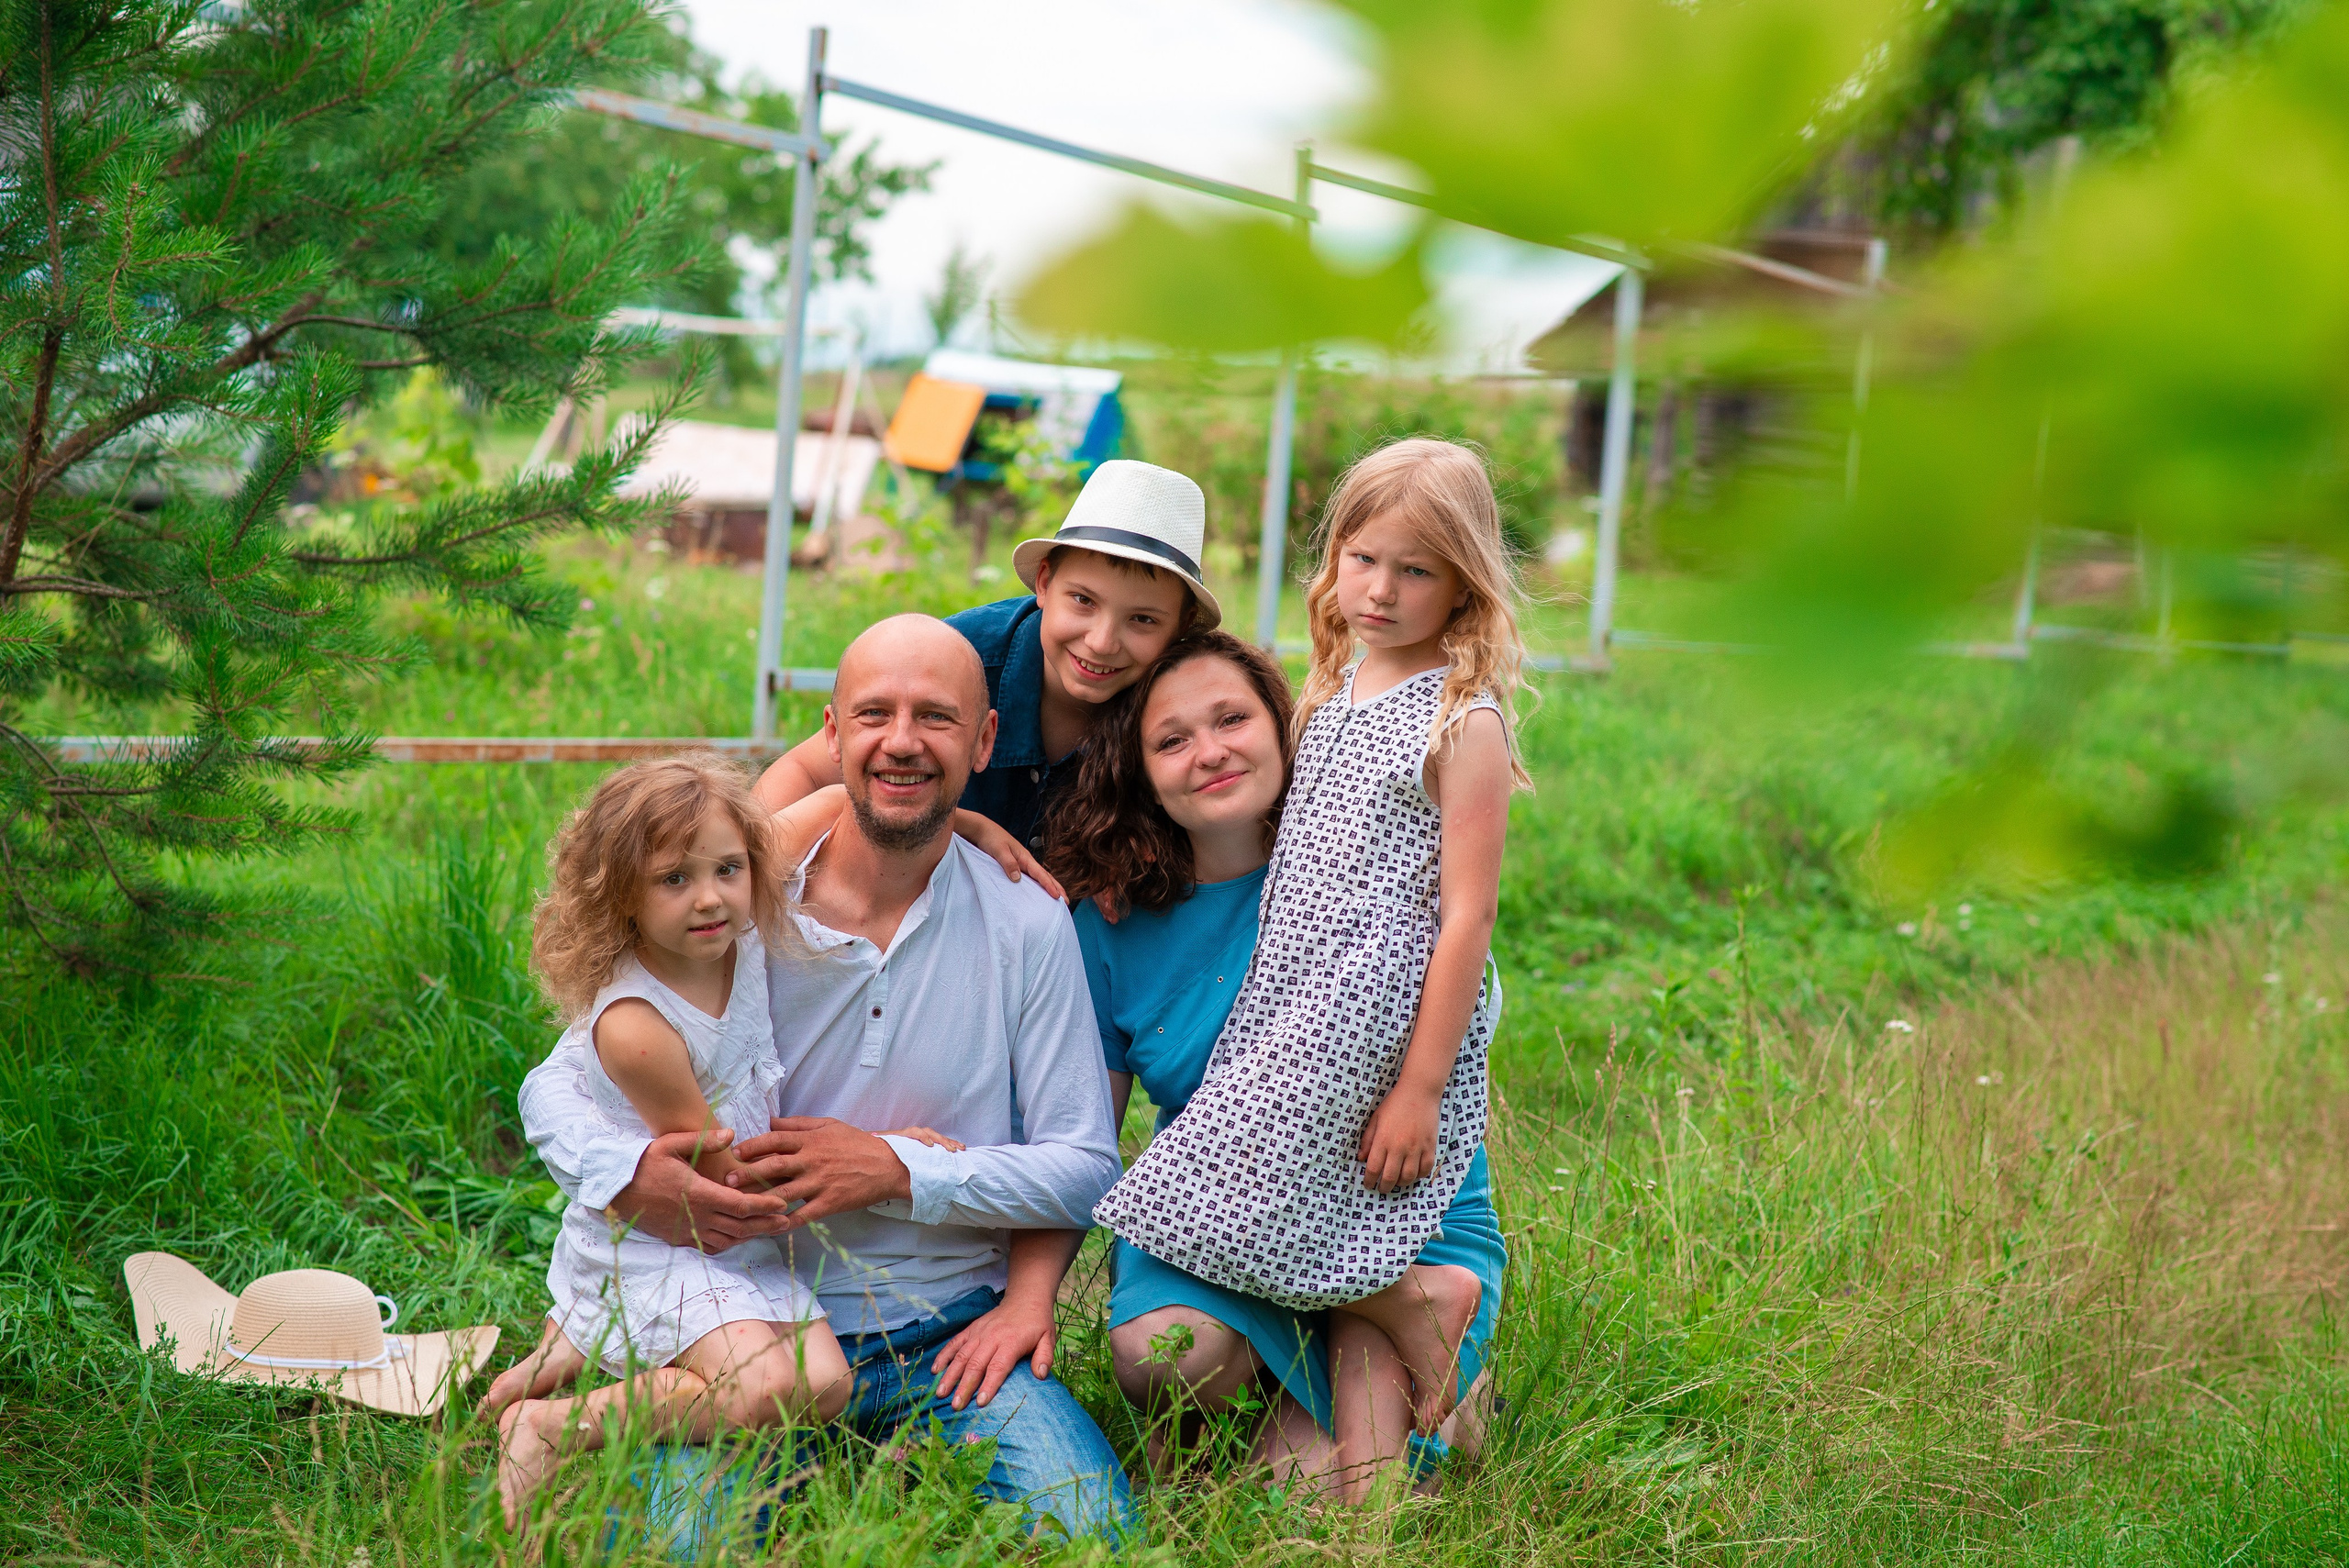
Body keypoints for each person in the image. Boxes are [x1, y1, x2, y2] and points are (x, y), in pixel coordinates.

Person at [515, 617, 1132, 1541]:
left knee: (1094, 1533)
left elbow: (1085, 1162)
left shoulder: (1024, 920)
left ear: (984, 740)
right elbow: (556, 1081)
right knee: (689, 1550)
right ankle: (586, 1420)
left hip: (946, 1327)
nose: (902, 739)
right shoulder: (735, 902)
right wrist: (627, 1175)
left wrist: (896, 1168)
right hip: (748, 1323)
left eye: (936, 717)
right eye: (875, 712)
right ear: (833, 730)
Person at [1091, 438, 1531, 1496]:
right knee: (1321, 1226)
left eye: (1416, 569)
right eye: (1362, 556)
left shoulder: (1461, 719)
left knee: (1203, 1197)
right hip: (1303, 1001)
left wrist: (1420, 1084)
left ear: (1463, 580)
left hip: (1368, 1013)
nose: (1380, 589)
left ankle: (1405, 1304)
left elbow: (1468, 916)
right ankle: (1369, 1480)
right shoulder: (1329, 693)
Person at [484, 756, 849, 1529]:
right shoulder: (637, 1027)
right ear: (621, 894)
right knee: (757, 1388)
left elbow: (842, 798)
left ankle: (600, 1364)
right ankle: (549, 1428)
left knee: (824, 1383)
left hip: (732, 1242)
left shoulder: (734, 926)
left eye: (727, 868)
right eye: (673, 879)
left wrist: (975, 823)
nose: (711, 896)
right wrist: (887, 1153)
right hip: (674, 1234)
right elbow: (725, 1185)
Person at [753, 459, 1219, 852]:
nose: (1101, 641)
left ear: (1179, 629)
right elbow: (803, 770)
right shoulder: (956, 659)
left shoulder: (1184, 703)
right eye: (1083, 600)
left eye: (1143, 620)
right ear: (1043, 582)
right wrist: (961, 826)